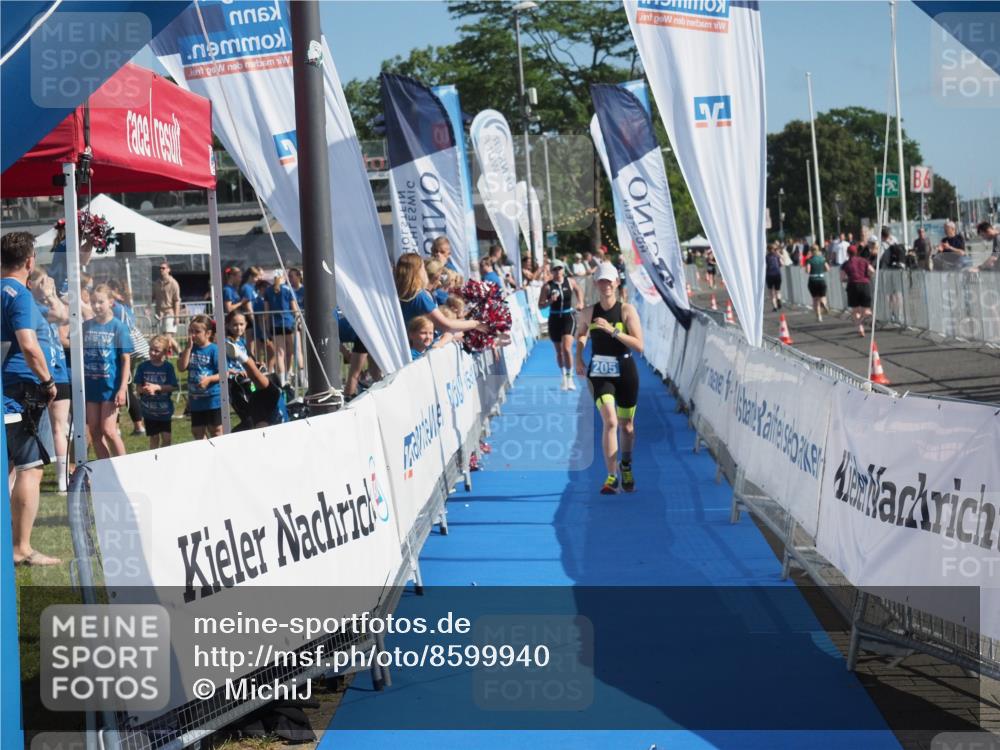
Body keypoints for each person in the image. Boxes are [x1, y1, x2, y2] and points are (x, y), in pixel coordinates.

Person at [2, 232, 61, 566]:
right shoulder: (19, 295)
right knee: (30, 468)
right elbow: (28, 344)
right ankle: (21, 547)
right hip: (19, 395)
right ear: (29, 261)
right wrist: (48, 380)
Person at [575, 263, 644, 495]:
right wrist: (578, 357)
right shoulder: (588, 312)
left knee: (627, 427)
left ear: (616, 283)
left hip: (625, 371)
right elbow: (581, 334)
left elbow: (639, 346)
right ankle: (611, 476)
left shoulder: (626, 311)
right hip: (600, 372)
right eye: (601, 281)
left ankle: (626, 465)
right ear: (595, 284)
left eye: (609, 281)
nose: (605, 285)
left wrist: (613, 331)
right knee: (611, 422)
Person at [28, 268, 71, 491]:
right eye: (42, 283)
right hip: (43, 375)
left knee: (59, 427)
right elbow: (61, 315)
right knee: (36, 428)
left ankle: (63, 478)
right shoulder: (32, 307)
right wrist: (47, 294)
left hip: (60, 372)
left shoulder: (46, 304)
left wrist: (52, 293)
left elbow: (64, 315)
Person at [83, 284, 132, 458]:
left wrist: (122, 389)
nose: (96, 306)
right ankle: (106, 469)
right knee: (95, 431)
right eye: (93, 302)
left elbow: (126, 360)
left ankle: (124, 469)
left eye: (100, 302)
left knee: (109, 430)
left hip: (110, 386)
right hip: (91, 386)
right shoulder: (86, 326)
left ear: (111, 302)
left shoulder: (118, 327)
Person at [395, 253, 486, 339]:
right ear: (417, 271)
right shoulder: (420, 296)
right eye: (422, 268)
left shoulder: (400, 294)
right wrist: (475, 324)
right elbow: (446, 325)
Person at [537, 259, 583, 391]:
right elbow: (540, 306)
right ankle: (563, 376)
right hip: (554, 318)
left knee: (567, 349)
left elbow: (578, 290)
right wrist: (550, 301)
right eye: (555, 269)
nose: (558, 271)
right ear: (551, 271)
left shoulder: (570, 281)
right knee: (559, 352)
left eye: (560, 268)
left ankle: (570, 378)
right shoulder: (547, 286)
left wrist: (580, 302)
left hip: (568, 317)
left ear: (563, 269)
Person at [178, 315, 223, 440]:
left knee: (216, 430)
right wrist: (187, 348)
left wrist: (208, 379)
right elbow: (182, 367)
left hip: (212, 398)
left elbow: (223, 373)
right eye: (191, 331)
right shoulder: (190, 349)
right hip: (196, 398)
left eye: (197, 332)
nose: (193, 335)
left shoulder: (214, 350)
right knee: (197, 431)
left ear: (208, 333)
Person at [133, 335, 178, 449]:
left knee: (167, 439)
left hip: (164, 411)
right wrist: (145, 389)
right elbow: (138, 388)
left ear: (165, 352)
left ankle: (165, 462)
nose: (152, 353)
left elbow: (173, 387)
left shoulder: (168, 367)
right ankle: (154, 462)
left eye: (156, 351)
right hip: (149, 411)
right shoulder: (142, 367)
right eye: (151, 349)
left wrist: (157, 387)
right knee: (154, 439)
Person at [263, 269, 299, 386]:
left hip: (275, 324)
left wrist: (267, 327)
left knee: (279, 353)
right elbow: (294, 309)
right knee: (291, 352)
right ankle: (288, 376)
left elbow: (266, 312)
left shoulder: (268, 291)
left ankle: (282, 381)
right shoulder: (288, 290)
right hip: (288, 323)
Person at [840, 246, 875, 337]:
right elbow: (872, 270)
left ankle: (860, 328)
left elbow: (842, 278)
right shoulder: (864, 261)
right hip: (865, 285)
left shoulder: (846, 264)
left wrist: (847, 279)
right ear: (856, 252)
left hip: (853, 286)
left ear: (848, 253)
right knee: (866, 310)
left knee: (856, 311)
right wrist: (868, 277)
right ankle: (866, 318)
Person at [153, 261, 181, 335]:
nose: (161, 270)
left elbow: (177, 301)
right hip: (159, 314)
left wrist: (177, 316)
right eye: (160, 268)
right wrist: (148, 307)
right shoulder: (156, 283)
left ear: (168, 269)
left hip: (169, 313)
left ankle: (179, 347)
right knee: (162, 340)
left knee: (168, 337)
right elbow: (153, 297)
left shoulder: (174, 283)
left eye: (163, 268)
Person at [804, 245, 830, 322]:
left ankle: (819, 316)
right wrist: (821, 270)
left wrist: (807, 261)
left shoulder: (810, 260)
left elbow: (807, 271)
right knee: (823, 296)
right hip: (821, 279)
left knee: (815, 299)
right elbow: (828, 269)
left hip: (812, 280)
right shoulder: (822, 259)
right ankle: (824, 304)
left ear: (811, 251)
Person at [765, 244, 783, 311]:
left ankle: (775, 307)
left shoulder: (766, 257)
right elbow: (781, 264)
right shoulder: (777, 256)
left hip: (769, 275)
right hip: (777, 274)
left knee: (771, 292)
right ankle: (778, 299)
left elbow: (764, 266)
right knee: (777, 290)